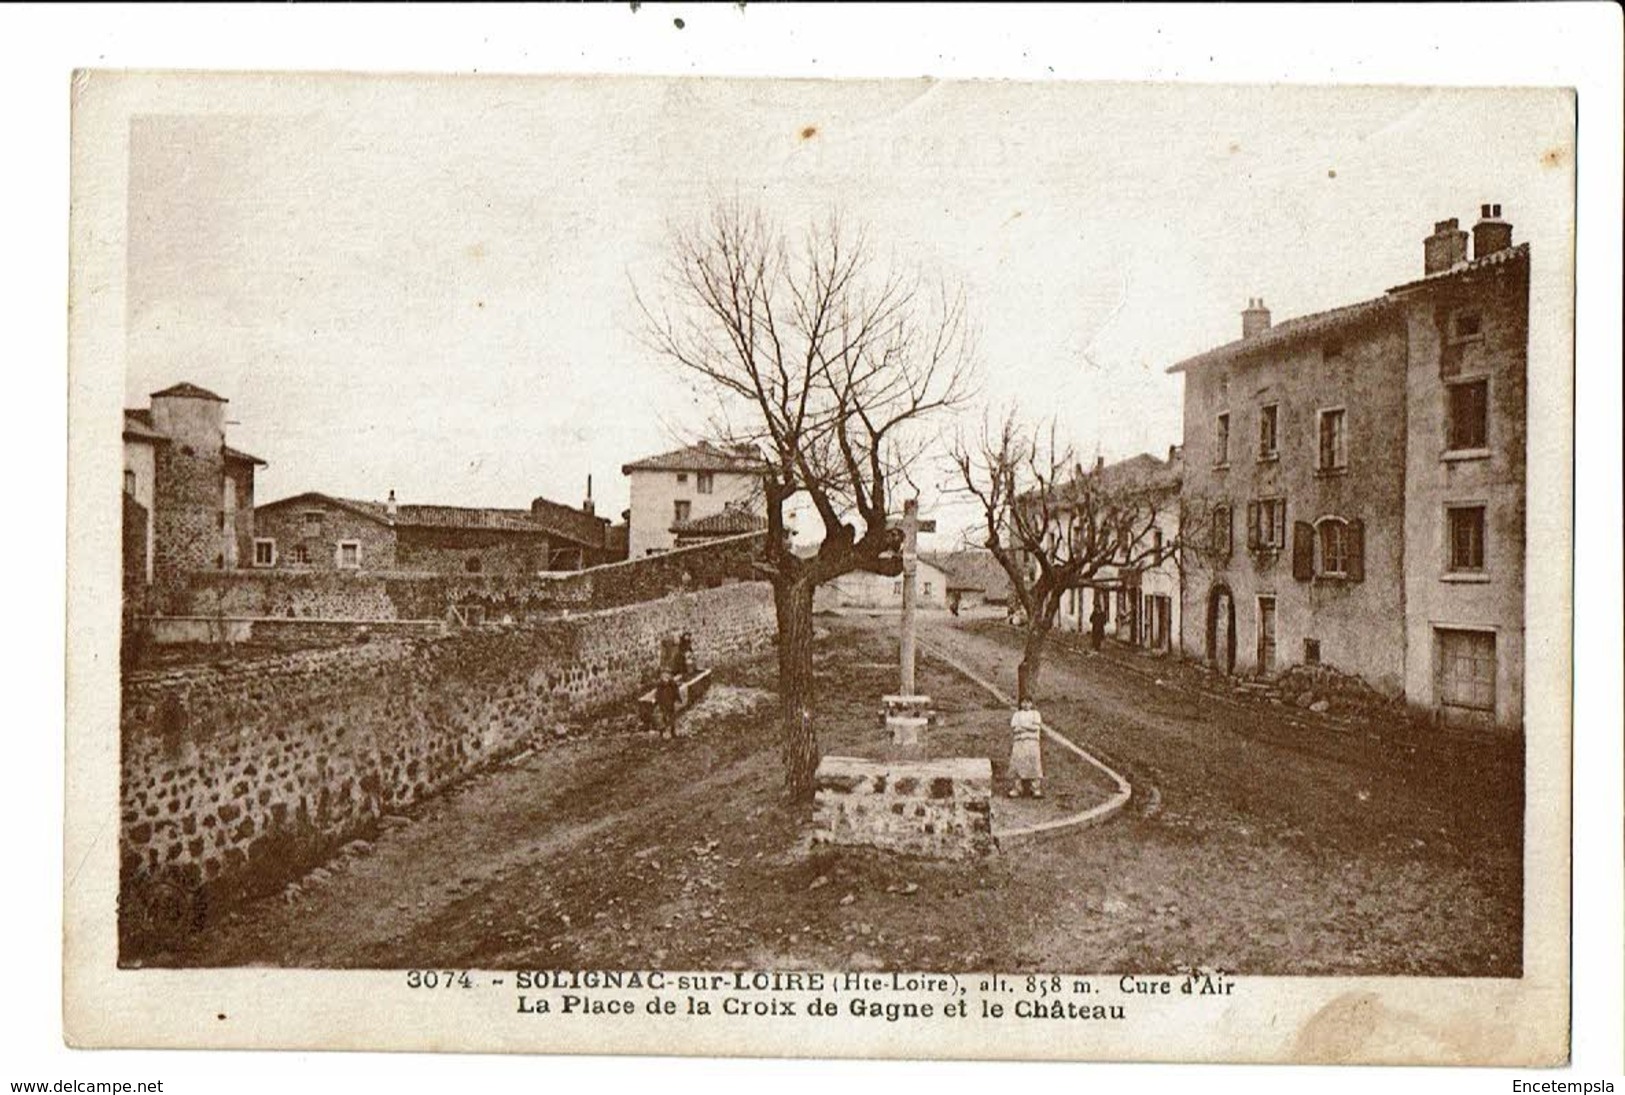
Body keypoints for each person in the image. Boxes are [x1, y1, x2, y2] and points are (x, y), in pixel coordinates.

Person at [1008, 698, 1044, 799]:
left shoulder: (1035, 714)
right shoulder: (1017, 715)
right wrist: (1027, 727)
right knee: (1018, 764)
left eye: (1028, 702)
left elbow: (1036, 728)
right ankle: (1017, 788)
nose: (1026, 704)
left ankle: (1036, 788)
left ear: (1031, 703)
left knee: (1034, 765)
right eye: (1023, 702)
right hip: (1020, 742)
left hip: (1032, 743)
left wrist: (1023, 727)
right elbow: (1015, 728)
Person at [655, 671, 681, 740]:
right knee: (663, 717)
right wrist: (658, 702)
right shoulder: (660, 686)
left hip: (670, 702)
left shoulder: (672, 684)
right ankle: (663, 733)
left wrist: (677, 699)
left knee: (672, 716)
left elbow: (676, 692)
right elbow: (657, 695)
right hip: (664, 703)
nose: (665, 682)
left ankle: (672, 731)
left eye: (666, 680)